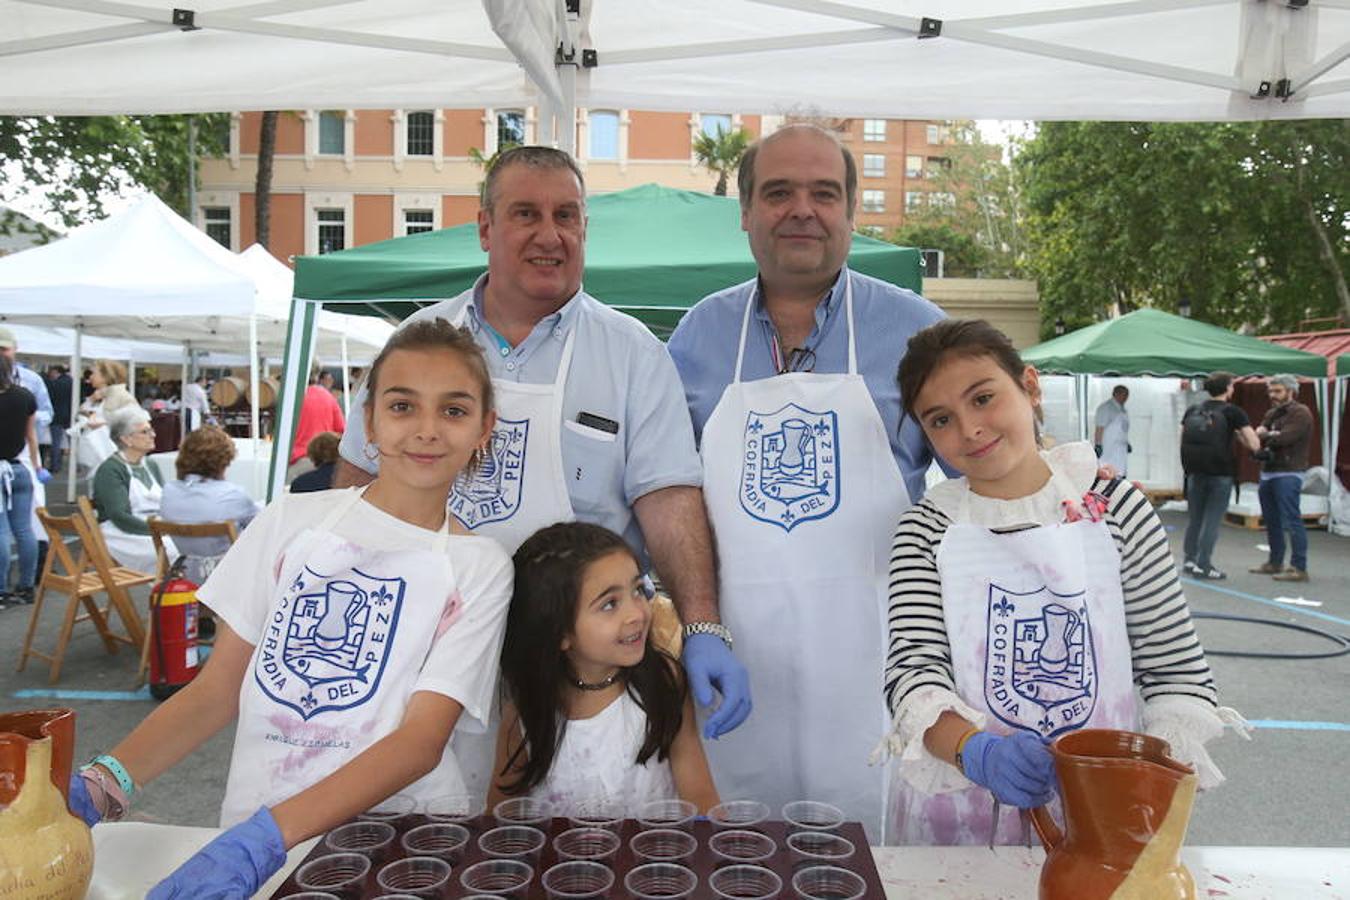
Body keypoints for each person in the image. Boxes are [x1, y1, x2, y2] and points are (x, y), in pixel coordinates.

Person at [335, 146, 749, 797]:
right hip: (425, 659)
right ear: (485, 228)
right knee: (425, 837)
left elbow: (670, 502)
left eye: (568, 216)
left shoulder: (634, 354)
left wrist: (701, 625)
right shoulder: (418, 339)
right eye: (526, 213)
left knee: (555, 854)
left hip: (578, 681)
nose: (549, 234)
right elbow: (356, 490)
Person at [66, 318, 513, 899]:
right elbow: (217, 689)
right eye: (403, 406)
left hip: (398, 849)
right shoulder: (290, 521)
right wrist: (107, 781)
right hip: (256, 822)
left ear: (485, 427)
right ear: (369, 421)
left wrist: (263, 841)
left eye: (453, 410)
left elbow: (420, 741)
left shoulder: (480, 566)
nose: (427, 430)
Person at [666, 123, 944, 841]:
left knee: (867, 857)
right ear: (747, 211)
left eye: (824, 193)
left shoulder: (923, 334)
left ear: (853, 211)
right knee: (735, 859)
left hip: (876, 661)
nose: (802, 210)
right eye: (778, 192)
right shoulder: (697, 335)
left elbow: (987, 483)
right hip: (731, 662)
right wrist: (688, 627)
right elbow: (667, 495)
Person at [881, 319, 1245, 845]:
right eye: (940, 419)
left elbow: (1176, 672)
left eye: (983, 398)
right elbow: (913, 673)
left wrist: (1140, 775)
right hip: (952, 818)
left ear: (1030, 387)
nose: (970, 429)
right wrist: (976, 752)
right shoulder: (926, 529)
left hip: (1102, 815)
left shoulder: (1117, 507)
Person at [488, 521, 719, 814]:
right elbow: (499, 815)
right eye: (610, 604)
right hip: (558, 860)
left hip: (653, 855)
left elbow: (700, 795)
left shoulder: (663, 682)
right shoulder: (526, 711)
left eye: (637, 590)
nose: (636, 613)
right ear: (560, 633)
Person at [1180, 373, 1259, 580]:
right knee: (1212, 520)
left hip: (1195, 471)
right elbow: (1254, 443)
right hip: (1220, 472)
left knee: (1195, 518)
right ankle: (1204, 563)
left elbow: (1181, 438)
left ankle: (1189, 559)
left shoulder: (1194, 410)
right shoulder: (1233, 412)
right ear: (1228, 388)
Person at [159, 425, 262, 582]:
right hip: (228, 576)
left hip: (184, 573)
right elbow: (262, 527)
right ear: (224, 460)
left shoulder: (169, 491)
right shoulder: (232, 495)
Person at [1250, 374, 1314, 582]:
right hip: (1268, 471)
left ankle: (1299, 566)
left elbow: (1286, 437)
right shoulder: (1272, 413)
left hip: (1289, 471)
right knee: (1271, 520)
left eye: (1277, 391)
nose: (1273, 395)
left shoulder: (1301, 413)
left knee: (1292, 519)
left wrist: (1266, 435)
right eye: (1271, 391)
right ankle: (1275, 562)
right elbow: (1258, 434)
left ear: (1291, 391)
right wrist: (1267, 435)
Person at [91, 407, 171, 573]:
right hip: (123, 534)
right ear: (126, 439)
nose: (153, 435)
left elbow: (166, 502)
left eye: (151, 430)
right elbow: (120, 516)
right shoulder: (111, 469)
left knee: (192, 545)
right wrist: (159, 531)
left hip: (155, 527)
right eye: (145, 431)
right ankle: (171, 594)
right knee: (175, 551)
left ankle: (180, 594)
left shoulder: (150, 464)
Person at [0, 357, 41, 609]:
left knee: (2, 532)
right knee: (25, 530)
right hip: (20, 468)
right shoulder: (25, 396)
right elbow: (32, 437)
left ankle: (1, 590)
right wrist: (37, 467)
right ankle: (27, 587)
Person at [75, 360, 137, 471]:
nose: (90, 377)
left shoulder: (120, 396)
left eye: (94, 373)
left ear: (105, 376)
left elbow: (133, 423)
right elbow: (82, 412)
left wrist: (103, 423)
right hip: (98, 453)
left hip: (110, 454)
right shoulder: (100, 395)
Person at [288, 368, 346, 477]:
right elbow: (342, 431)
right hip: (324, 462)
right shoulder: (329, 397)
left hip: (297, 461)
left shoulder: (292, 398)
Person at [1093, 385, 1131, 475]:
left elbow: (1123, 430)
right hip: (1108, 448)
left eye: (1127, 395)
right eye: (1124, 395)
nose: (1126, 398)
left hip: (1120, 448)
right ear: (1116, 394)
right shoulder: (1106, 408)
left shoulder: (1122, 409)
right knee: (1108, 472)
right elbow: (1099, 427)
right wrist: (1098, 444)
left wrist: (1127, 442)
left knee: (1120, 473)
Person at [46, 365, 73, 473]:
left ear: (56, 371)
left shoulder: (55, 384)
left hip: (56, 415)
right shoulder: (72, 383)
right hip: (70, 415)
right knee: (72, 442)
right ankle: (76, 466)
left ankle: (55, 465)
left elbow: (51, 398)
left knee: (56, 442)